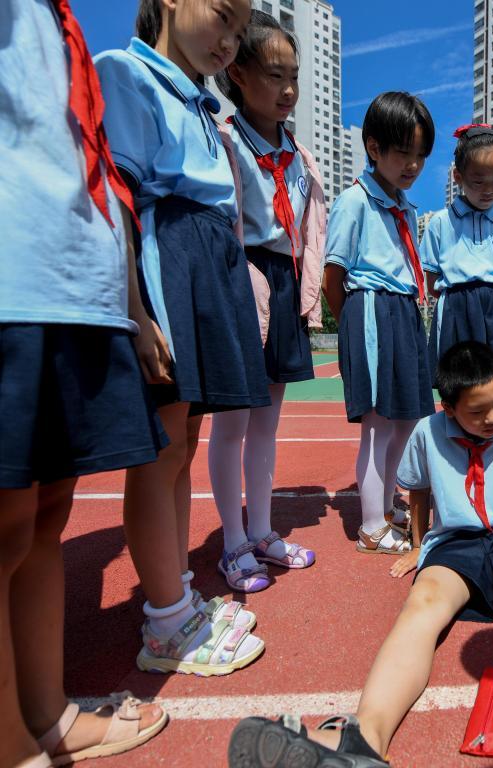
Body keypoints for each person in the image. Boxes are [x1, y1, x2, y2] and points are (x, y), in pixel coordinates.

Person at [227, 342, 493, 766]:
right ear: (449, 408)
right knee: (422, 604)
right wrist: (422, 546)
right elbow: (418, 491)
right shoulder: (427, 432)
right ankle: (364, 736)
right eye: (478, 412)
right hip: (458, 541)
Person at [1, 1, 170, 764]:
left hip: (72, 287)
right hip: (16, 280)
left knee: (42, 520)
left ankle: (44, 715)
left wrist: (130, 306)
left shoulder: (55, 19)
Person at [94, 0, 268, 675]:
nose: (229, 40)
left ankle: (178, 600)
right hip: (168, 258)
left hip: (205, 259)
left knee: (183, 444)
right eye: (223, 16)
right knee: (161, 449)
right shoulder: (126, 73)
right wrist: (137, 311)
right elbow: (119, 196)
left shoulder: (201, 103)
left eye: (237, 30)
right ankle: (165, 623)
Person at [207, 10, 321, 593]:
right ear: (238, 73)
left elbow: (308, 226)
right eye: (275, 75)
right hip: (239, 279)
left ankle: (261, 531)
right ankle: (231, 544)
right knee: (232, 424)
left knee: (268, 424)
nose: (288, 89)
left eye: (294, 75)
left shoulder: (299, 155)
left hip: (283, 278)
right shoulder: (224, 141)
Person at [322, 92, 436, 555]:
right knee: (377, 424)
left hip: (405, 310)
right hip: (370, 309)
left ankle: (388, 503)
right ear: (373, 147)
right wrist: (352, 326)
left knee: (407, 420)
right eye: (402, 152)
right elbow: (334, 274)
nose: (412, 164)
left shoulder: (406, 207)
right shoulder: (354, 200)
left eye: (420, 155)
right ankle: (371, 525)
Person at [421, 124, 493, 391]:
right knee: (457, 384)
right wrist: (461, 303)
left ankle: (492, 432)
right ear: (458, 177)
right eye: (478, 181)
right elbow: (430, 281)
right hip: (456, 309)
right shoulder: (440, 223)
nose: (488, 189)